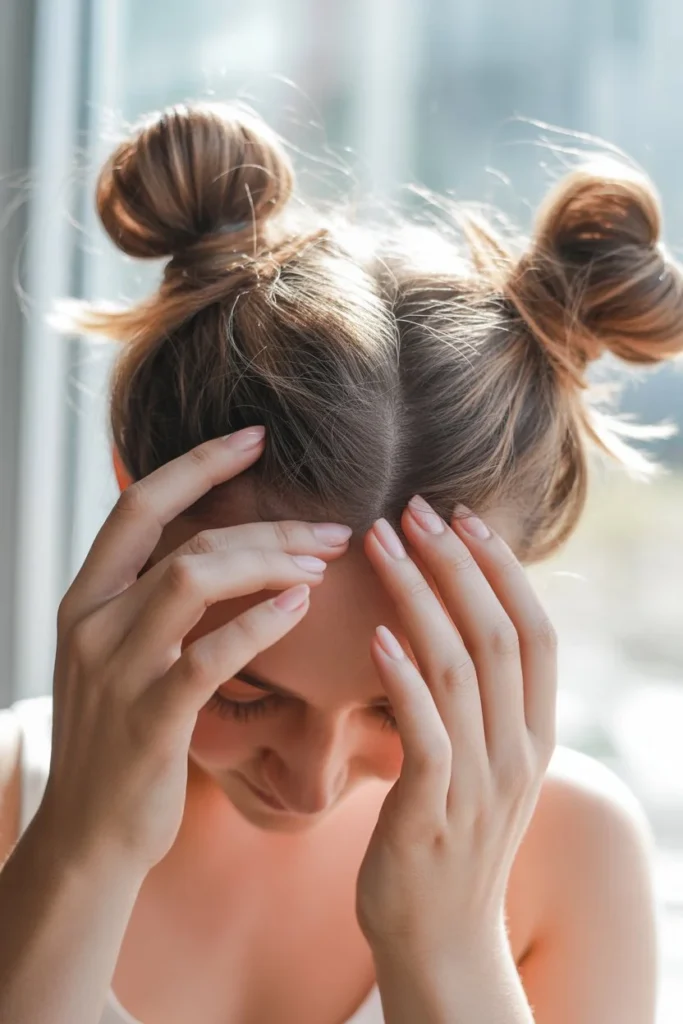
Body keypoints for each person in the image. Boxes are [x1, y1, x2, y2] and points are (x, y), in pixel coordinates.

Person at [0, 100, 678, 1024]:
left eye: (400, 708)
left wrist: (445, 946)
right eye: (244, 691)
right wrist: (77, 857)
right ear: (138, 507)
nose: (310, 782)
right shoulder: (11, 803)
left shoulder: (574, 853)